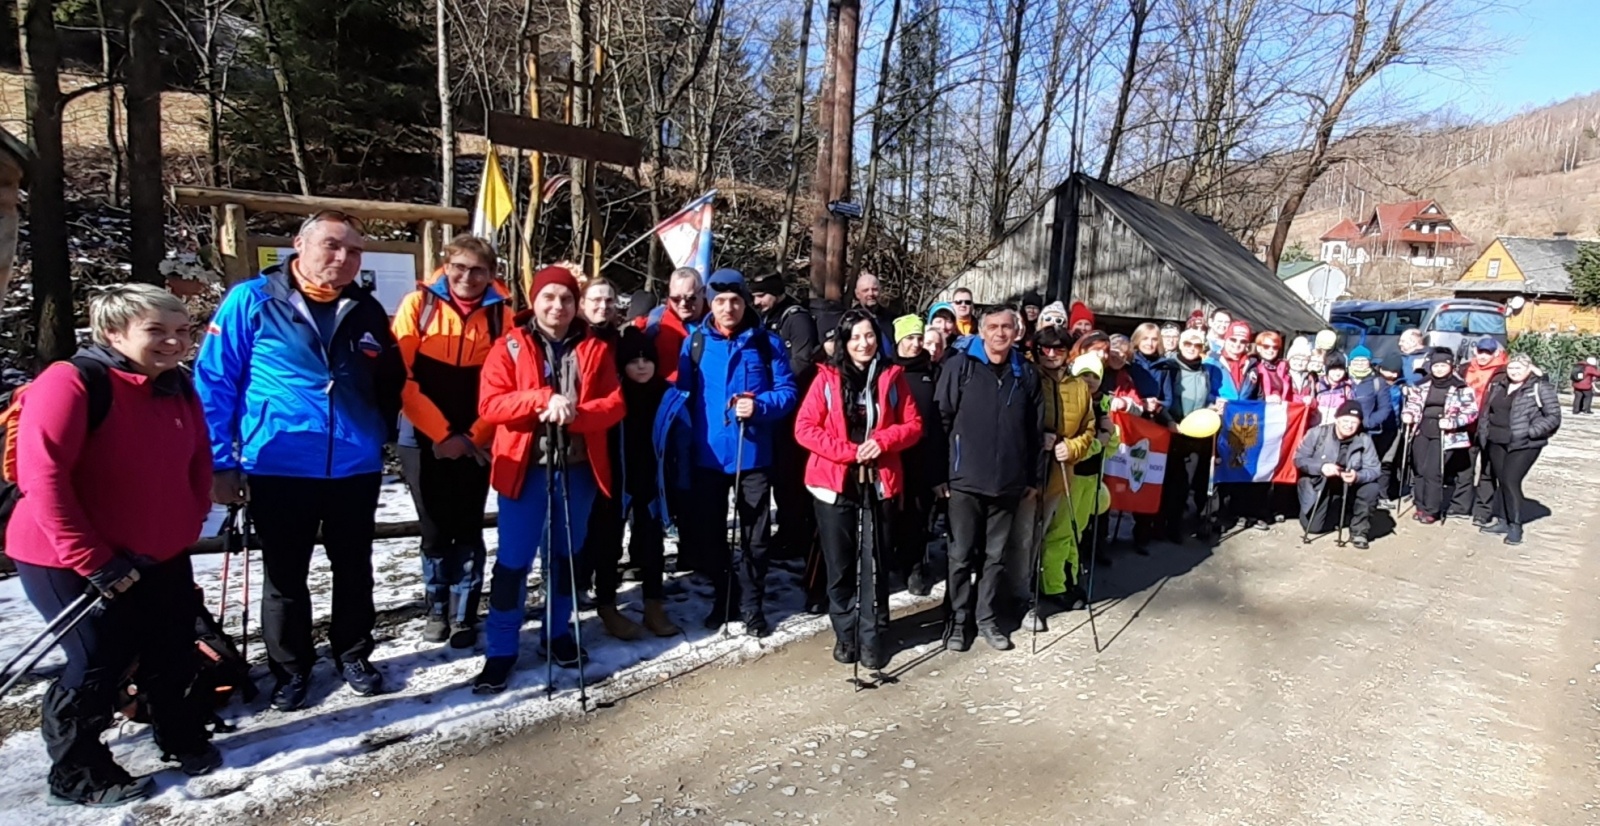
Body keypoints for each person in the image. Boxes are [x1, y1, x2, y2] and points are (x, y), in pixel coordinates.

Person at [9, 285, 221, 805]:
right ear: (113, 333)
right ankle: (78, 772)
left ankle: (179, 734)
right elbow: (44, 477)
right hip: (69, 557)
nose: (174, 343)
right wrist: (93, 559)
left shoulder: (176, 385)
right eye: (157, 331)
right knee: (96, 663)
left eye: (182, 332)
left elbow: (197, 457)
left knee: (172, 651)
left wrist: (187, 522)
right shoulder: (71, 383)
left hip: (159, 553)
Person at [196, 210, 404, 712]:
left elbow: (388, 381)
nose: (343, 258)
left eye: (354, 250)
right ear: (299, 245)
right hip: (280, 462)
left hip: (354, 464)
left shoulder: (365, 307)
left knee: (354, 568)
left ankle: (353, 653)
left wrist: (379, 434)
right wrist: (221, 461)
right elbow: (215, 383)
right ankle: (290, 668)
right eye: (332, 246)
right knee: (285, 574)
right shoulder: (252, 301)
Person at [473, 266, 625, 692]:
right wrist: (541, 399)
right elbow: (491, 404)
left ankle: (557, 633)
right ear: (534, 301)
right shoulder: (510, 345)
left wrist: (579, 415)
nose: (557, 306)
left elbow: (614, 403)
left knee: (565, 558)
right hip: (524, 470)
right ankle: (501, 649)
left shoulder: (594, 347)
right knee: (514, 562)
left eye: (566, 299)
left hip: (577, 469)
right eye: (549, 298)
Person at [392, 234, 511, 648]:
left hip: (478, 432)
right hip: (421, 435)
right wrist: (442, 436)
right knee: (434, 527)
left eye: (478, 269)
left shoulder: (502, 316)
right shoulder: (418, 306)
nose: (467, 277)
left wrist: (475, 435)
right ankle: (436, 607)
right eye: (459, 267)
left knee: (468, 524)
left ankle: (464, 613)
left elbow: (507, 382)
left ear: (491, 274)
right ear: (446, 265)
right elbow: (400, 377)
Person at [794, 311, 923, 669]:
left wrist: (882, 441)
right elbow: (804, 429)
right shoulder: (826, 379)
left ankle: (873, 635)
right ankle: (845, 634)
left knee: (875, 563)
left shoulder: (891, 378)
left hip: (878, 481)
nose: (863, 344)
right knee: (840, 566)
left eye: (868, 336)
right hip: (835, 483)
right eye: (854, 338)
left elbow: (913, 425)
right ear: (844, 343)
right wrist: (849, 452)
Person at [677, 269, 799, 637]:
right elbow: (683, 398)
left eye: (735, 301)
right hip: (708, 457)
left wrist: (759, 405)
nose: (728, 308)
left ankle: (752, 603)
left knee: (755, 537)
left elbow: (788, 392)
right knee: (709, 535)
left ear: (745, 301)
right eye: (719, 301)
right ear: (709, 304)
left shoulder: (767, 344)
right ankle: (724, 595)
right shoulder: (694, 344)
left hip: (754, 456)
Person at [937, 308, 1044, 652]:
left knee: (995, 558)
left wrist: (1033, 478)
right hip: (964, 480)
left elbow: (1035, 430)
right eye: (994, 327)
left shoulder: (1025, 372)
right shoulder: (960, 367)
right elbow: (940, 420)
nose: (1000, 333)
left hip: (1009, 482)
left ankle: (985, 618)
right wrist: (939, 475)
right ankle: (957, 620)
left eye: (1007, 327)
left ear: (1017, 332)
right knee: (961, 556)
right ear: (982, 332)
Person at [575, 276, 651, 641]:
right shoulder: (573, 339)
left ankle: (607, 601)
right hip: (578, 447)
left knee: (608, 527)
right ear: (582, 303)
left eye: (608, 301)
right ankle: (571, 593)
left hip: (618, 445)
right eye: (595, 300)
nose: (602, 307)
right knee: (575, 529)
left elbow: (645, 373)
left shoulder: (624, 341)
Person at [1022, 327, 1099, 631]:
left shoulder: (1078, 387)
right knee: (1023, 539)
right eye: (1045, 349)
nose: (1051, 355)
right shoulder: (1028, 377)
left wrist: (1073, 447)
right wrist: (1036, 437)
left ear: (1069, 353)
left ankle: (1044, 588)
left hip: (1060, 473)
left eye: (1058, 349)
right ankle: (1020, 596)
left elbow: (1088, 428)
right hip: (1028, 474)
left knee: (1047, 534)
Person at [614, 322, 682, 637]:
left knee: (653, 542)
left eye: (647, 359)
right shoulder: (614, 395)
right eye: (633, 360)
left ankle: (654, 604)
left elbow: (683, 438)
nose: (641, 366)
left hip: (654, 481)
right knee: (608, 545)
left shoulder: (666, 395)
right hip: (618, 479)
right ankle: (606, 605)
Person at [750, 272, 821, 562]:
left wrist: (772, 385)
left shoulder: (796, 318)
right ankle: (788, 530)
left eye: (761, 295)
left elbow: (802, 362)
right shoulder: (765, 319)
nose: (757, 301)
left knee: (791, 476)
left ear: (776, 293)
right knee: (779, 475)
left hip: (794, 406)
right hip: (775, 408)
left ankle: (797, 533)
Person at [1476, 353, 1560, 545]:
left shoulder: (1540, 387)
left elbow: (1553, 416)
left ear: (1529, 368)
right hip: (1496, 440)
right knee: (1501, 481)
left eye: (1519, 368)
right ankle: (1503, 520)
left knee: (1510, 481)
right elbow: (1488, 411)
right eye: (1511, 368)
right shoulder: (1498, 385)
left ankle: (1515, 525)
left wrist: (1530, 431)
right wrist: (1484, 432)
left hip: (1524, 444)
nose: (1514, 372)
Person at [889, 314, 946, 596]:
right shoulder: (888, 370)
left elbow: (939, 419)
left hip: (923, 453)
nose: (914, 344)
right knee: (892, 513)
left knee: (918, 514)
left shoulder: (932, 370)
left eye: (918, 338)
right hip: (894, 453)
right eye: (909, 338)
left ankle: (914, 567)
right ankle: (890, 562)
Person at [1401, 350, 1478, 524]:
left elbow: (1471, 412)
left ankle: (1432, 509)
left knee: (1433, 471)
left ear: (1450, 366)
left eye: (1443, 365)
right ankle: (1420, 505)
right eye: (1436, 365)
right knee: (1419, 469)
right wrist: (1408, 414)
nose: (1439, 369)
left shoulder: (1461, 387)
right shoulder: (1422, 384)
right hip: (1422, 429)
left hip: (1445, 433)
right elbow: (1413, 404)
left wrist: (1453, 422)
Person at [1161, 329, 1224, 541]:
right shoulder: (1169, 368)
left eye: (1197, 345)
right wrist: (1169, 420)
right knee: (1170, 482)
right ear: (1180, 344)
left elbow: (1204, 398)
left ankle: (1180, 525)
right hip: (1172, 430)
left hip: (1196, 433)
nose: (1192, 348)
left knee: (1186, 482)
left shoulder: (1205, 371)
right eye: (1188, 343)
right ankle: (1164, 525)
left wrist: (1212, 408)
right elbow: (1162, 397)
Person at [1293, 400, 1382, 549]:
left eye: (1354, 422)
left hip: (1349, 484)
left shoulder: (1365, 440)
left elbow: (1374, 469)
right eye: (1345, 420)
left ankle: (1359, 531)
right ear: (1337, 419)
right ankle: (1337, 510)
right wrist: (1321, 467)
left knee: (1371, 488)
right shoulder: (1317, 433)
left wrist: (1357, 476)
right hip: (1320, 483)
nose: (1349, 425)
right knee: (1314, 528)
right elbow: (1299, 460)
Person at [634, 267, 707, 382]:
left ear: (703, 292)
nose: (683, 304)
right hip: (666, 395)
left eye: (690, 298)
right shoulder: (654, 323)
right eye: (676, 299)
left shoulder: (718, 323)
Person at [1253, 331, 1290, 402]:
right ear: (1259, 348)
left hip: (1278, 410)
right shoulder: (1253, 366)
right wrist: (1264, 399)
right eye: (1266, 346)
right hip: (1259, 409)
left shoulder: (1283, 368)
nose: (1271, 350)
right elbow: (1247, 393)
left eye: (1275, 347)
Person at [1286, 336, 1317, 403]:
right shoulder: (1283, 375)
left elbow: (1313, 399)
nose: (1299, 363)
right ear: (1289, 359)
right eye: (1296, 359)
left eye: (1304, 360)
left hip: (1304, 412)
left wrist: (1311, 402)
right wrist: (1302, 399)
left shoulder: (1310, 378)